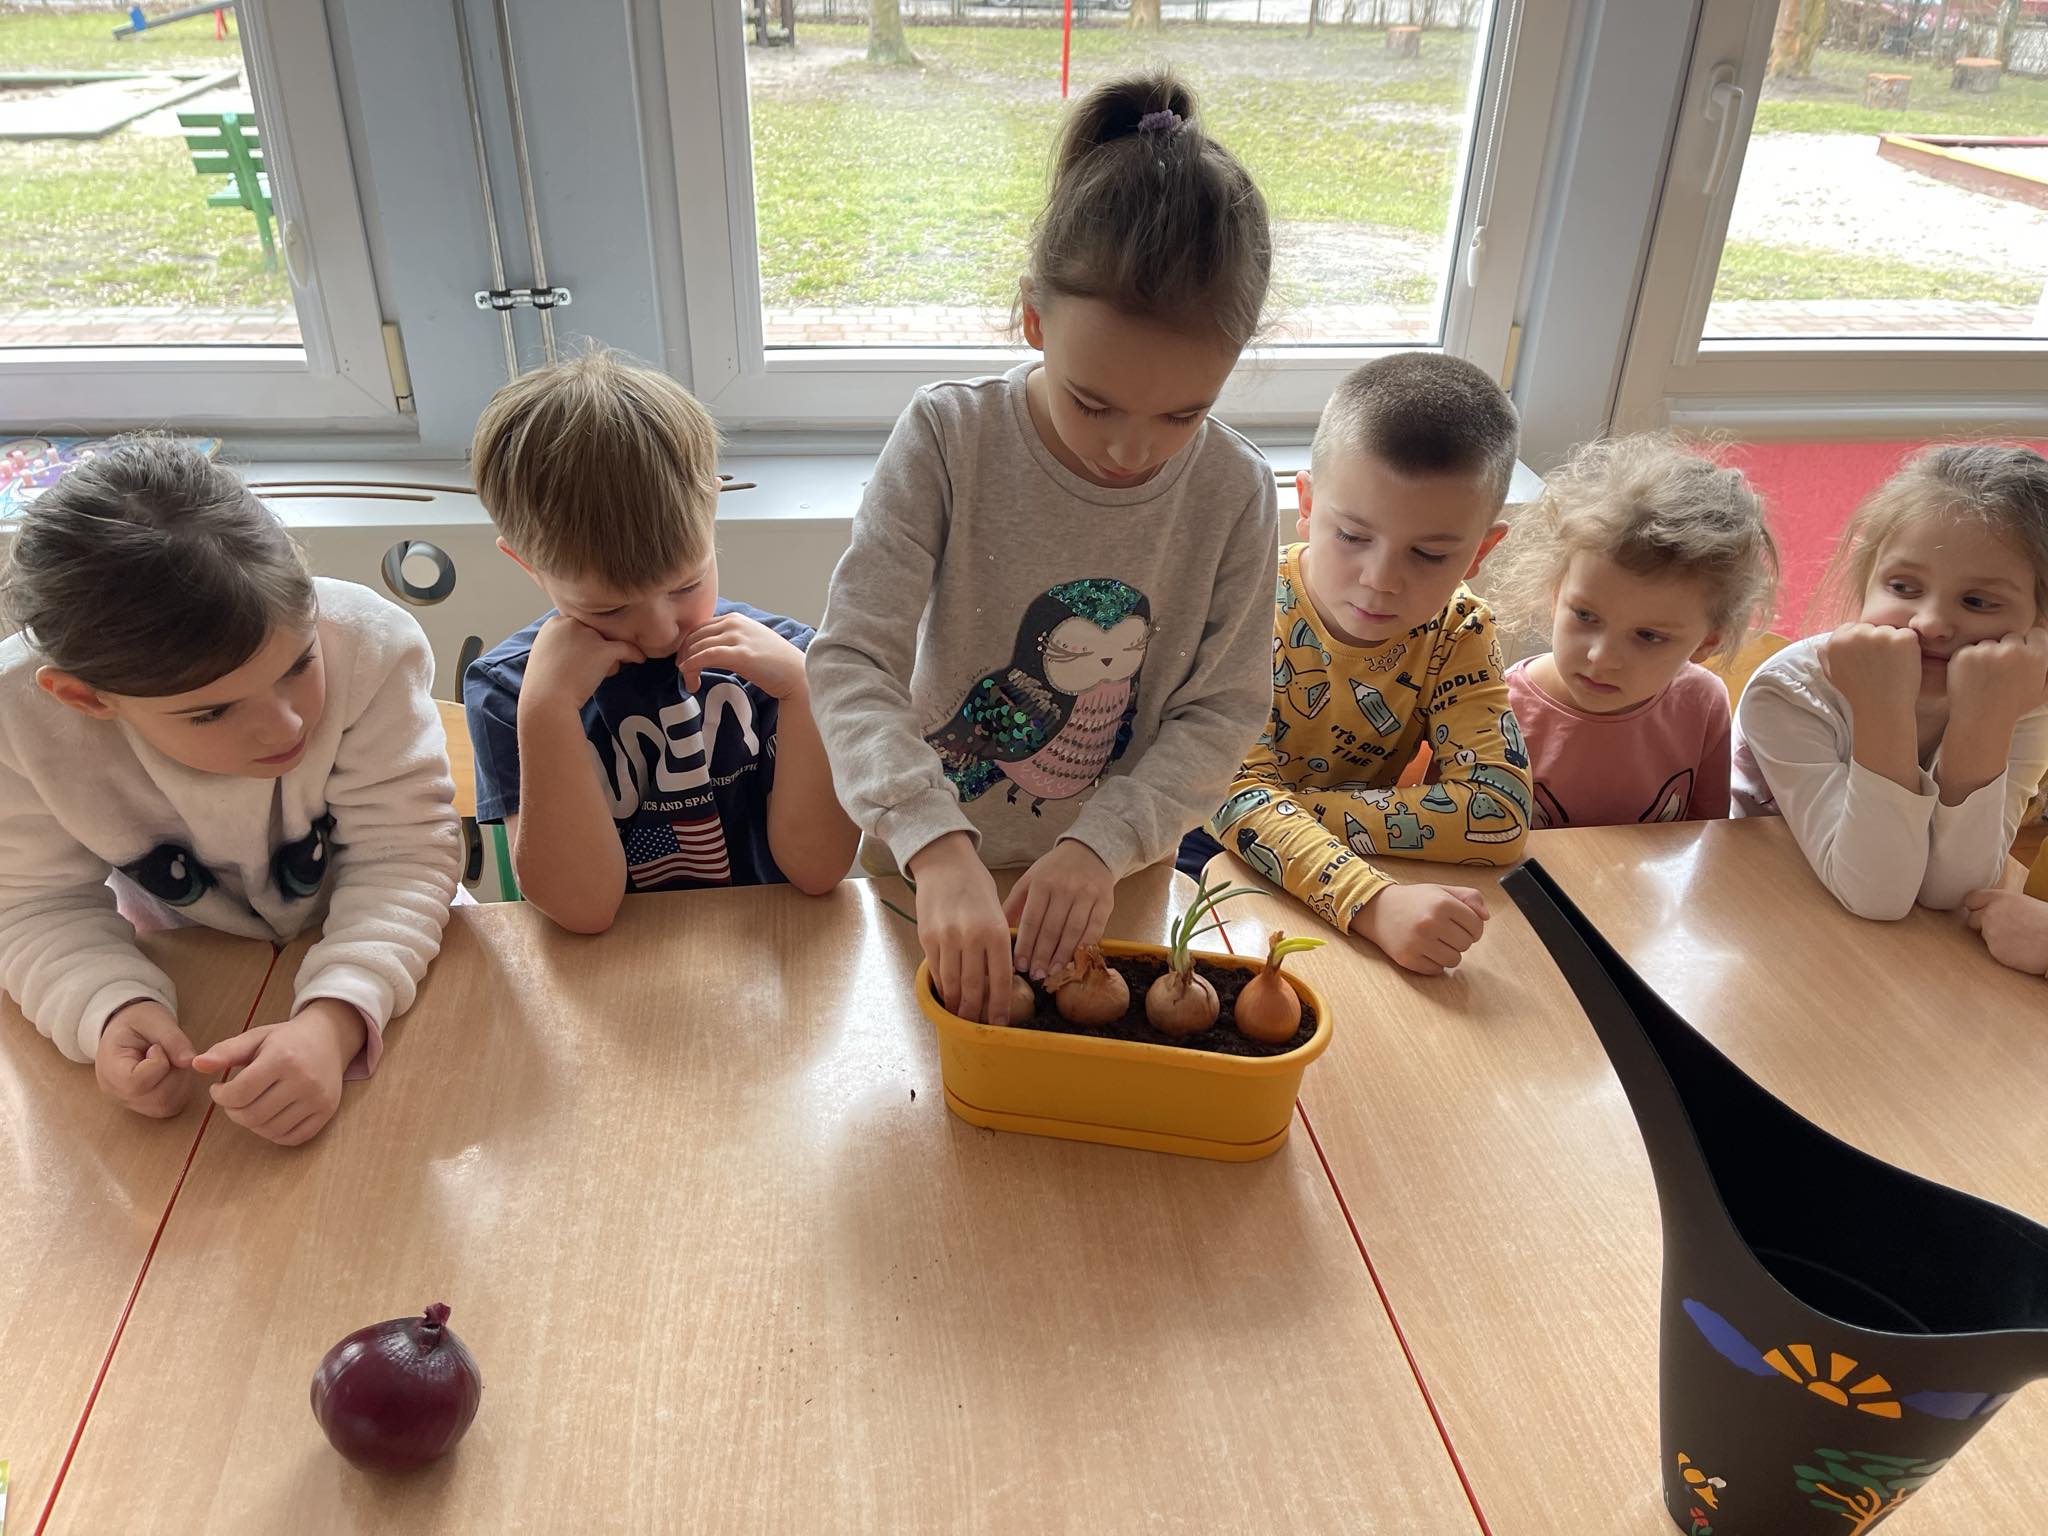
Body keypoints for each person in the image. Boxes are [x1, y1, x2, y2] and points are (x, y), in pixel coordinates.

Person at [806, 73, 1279, 1023]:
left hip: (1116, 878)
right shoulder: (949, 438)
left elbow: (1222, 710)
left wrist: (1103, 844)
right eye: (1092, 402)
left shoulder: (1235, 489)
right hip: (927, 868)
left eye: (1184, 413)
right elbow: (854, 660)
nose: (1131, 451)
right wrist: (935, 842)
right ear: (1033, 319)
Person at [0, 438, 460, 1143]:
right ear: (85, 699)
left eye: (299, 665)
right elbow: (33, 904)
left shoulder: (368, 645)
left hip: (394, 952)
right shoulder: (20, 722)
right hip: (191, 967)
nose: (287, 725)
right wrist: (106, 1007)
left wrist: (336, 1019)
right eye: (210, 712)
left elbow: (405, 855)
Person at [464, 350, 857, 933]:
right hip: (612, 971)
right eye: (609, 608)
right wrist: (547, 711)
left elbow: (818, 871)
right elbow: (582, 910)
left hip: (770, 954)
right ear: (527, 565)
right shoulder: (511, 691)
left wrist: (805, 692)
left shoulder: (788, 662)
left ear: (713, 507)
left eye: (686, 586)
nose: (660, 632)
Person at [1182, 352, 1531, 977]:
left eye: (1429, 554)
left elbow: (1498, 814)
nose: (1380, 580)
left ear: (1481, 550)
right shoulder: (1240, 600)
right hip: (1199, 865)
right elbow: (1220, 797)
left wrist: (1280, 811)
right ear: (1307, 503)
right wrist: (1371, 903)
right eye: (1352, 536)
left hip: (1338, 868)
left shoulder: (1459, 629)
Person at [1733, 445, 2048, 919]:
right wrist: (1883, 709)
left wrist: (1984, 723)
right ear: (1867, 582)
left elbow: (1952, 893)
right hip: (1767, 913)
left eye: (1978, 602)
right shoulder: (1789, 693)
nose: (1930, 623)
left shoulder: (2022, 700)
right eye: (1903, 587)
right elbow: (1876, 895)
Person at [1494, 434, 1779, 828]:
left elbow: (1704, 838)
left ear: (1706, 643)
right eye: (1585, 616)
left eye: (1648, 636)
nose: (1601, 658)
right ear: (1557, 594)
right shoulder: (1498, 707)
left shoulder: (1701, 704)